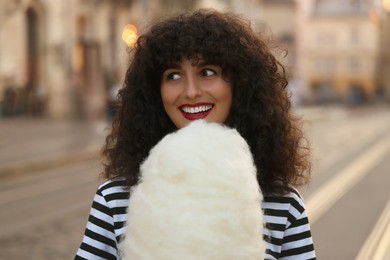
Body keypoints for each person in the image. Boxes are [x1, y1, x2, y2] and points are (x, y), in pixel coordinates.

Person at [75, 9, 315, 260]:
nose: (190, 92)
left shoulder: (283, 205)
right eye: (173, 76)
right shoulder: (114, 201)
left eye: (207, 72)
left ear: (240, 84)